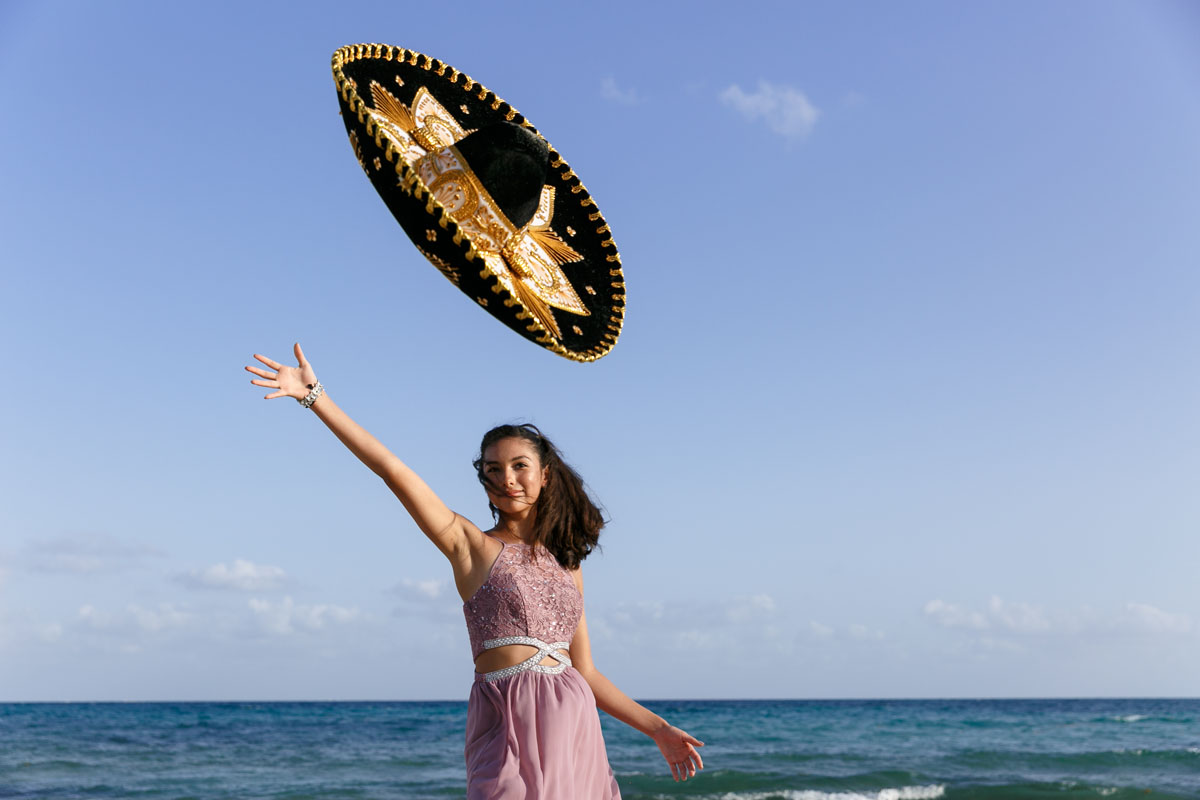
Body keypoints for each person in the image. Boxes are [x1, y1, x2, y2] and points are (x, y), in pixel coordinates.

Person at [245, 343, 704, 798]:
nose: (507, 479)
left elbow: (586, 670)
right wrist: (316, 398)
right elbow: (393, 471)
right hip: (503, 722)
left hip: (574, 728)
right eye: (493, 469)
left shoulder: (568, 560)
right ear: (483, 479)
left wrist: (659, 729)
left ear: (545, 475)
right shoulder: (470, 545)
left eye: (520, 466)